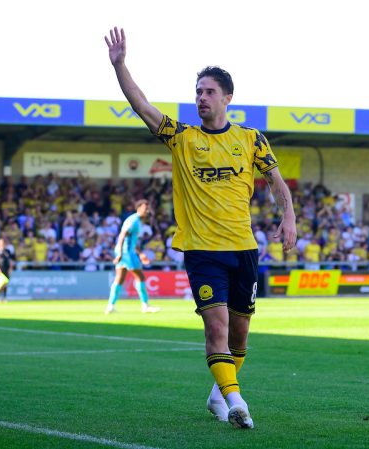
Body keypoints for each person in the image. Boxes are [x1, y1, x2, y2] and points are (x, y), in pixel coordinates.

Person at [106, 27, 297, 429]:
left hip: (244, 249)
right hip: (203, 251)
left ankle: (217, 396)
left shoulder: (251, 139)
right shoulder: (182, 138)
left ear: (228, 98)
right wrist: (120, 66)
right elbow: (142, 106)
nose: (201, 98)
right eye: (198, 92)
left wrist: (289, 216)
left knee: (240, 336)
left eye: (209, 92)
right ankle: (237, 402)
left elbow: (277, 183)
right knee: (217, 327)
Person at [104, 199, 160, 314]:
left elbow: (132, 241)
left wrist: (140, 254)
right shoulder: (133, 220)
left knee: (119, 279)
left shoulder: (138, 221)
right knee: (140, 277)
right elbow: (122, 235)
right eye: (145, 208)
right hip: (126, 253)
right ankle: (145, 305)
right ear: (138, 208)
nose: (147, 210)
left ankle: (110, 306)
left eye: (148, 208)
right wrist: (120, 253)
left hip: (126, 251)